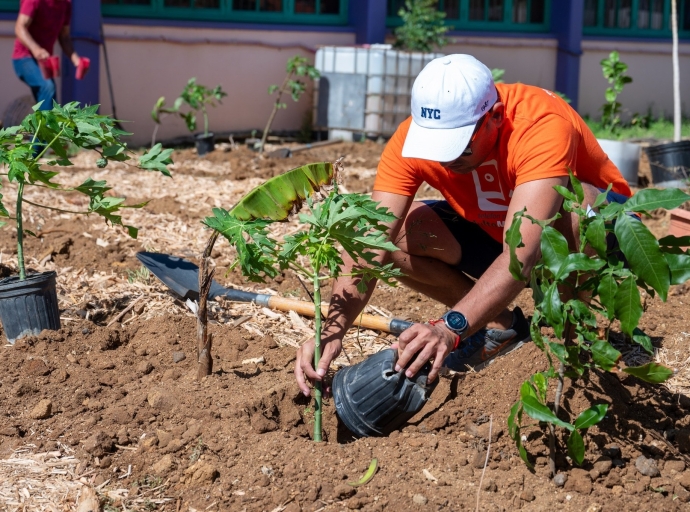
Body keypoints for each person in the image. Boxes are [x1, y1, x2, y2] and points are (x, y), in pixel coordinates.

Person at [295, 54, 633, 397]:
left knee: (579, 208)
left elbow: (521, 257)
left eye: (458, 146)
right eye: (436, 145)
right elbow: (370, 242)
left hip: (594, 241)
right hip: (498, 232)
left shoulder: (540, 124)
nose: (444, 158)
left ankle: (574, 339)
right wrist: (332, 332)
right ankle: (497, 327)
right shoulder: (407, 141)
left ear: (495, 117)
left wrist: (449, 327)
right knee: (396, 238)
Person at [12, 0, 84, 111]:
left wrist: (76, 60)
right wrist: (36, 49)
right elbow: (19, 27)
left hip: (45, 61)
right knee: (47, 87)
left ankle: (43, 125)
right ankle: (48, 127)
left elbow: (64, 36)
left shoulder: (66, 4)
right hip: (24, 58)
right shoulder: (34, 1)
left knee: (51, 99)